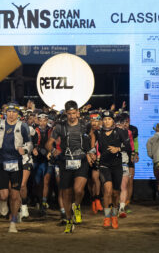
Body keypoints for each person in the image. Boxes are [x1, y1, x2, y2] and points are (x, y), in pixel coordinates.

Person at [46, 100, 96, 234]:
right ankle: (69, 220)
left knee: (78, 190)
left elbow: (92, 136)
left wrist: (91, 151)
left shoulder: (85, 125)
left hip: (81, 160)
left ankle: (77, 205)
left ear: (78, 112)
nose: (72, 116)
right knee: (66, 194)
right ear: (66, 114)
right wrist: (53, 151)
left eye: (74, 113)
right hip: (66, 161)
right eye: (69, 114)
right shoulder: (60, 127)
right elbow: (48, 143)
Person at [0, 102, 32, 233]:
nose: (11, 114)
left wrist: (25, 150)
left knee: (15, 195)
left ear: (17, 114)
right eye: (9, 112)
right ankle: (2, 202)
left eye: (14, 112)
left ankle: (13, 222)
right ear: (5, 113)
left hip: (17, 163)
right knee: (4, 195)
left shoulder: (23, 126)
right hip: (1, 162)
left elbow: (30, 143)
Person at [97, 111, 125, 229]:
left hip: (117, 165)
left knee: (115, 193)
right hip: (104, 165)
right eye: (105, 119)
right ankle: (107, 217)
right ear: (102, 121)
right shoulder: (98, 132)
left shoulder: (119, 132)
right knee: (107, 190)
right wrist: (91, 153)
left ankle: (114, 216)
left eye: (109, 119)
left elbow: (128, 146)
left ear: (113, 120)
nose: (107, 121)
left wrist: (118, 149)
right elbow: (91, 145)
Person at [116, 114, 135, 218]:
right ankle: (113, 208)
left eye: (126, 122)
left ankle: (122, 208)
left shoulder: (129, 132)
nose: (124, 124)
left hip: (124, 161)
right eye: (122, 123)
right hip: (111, 163)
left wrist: (133, 154)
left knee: (124, 185)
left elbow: (131, 146)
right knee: (112, 189)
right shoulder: (108, 132)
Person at [87, 112, 103, 214]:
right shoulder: (85, 131)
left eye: (96, 121)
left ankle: (97, 199)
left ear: (100, 122)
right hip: (86, 158)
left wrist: (97, 156)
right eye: (92, 120)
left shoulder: (101, 132)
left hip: (97, 158)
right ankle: (93, 200)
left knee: (95, 178)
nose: (94, 123)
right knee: (90, 181)